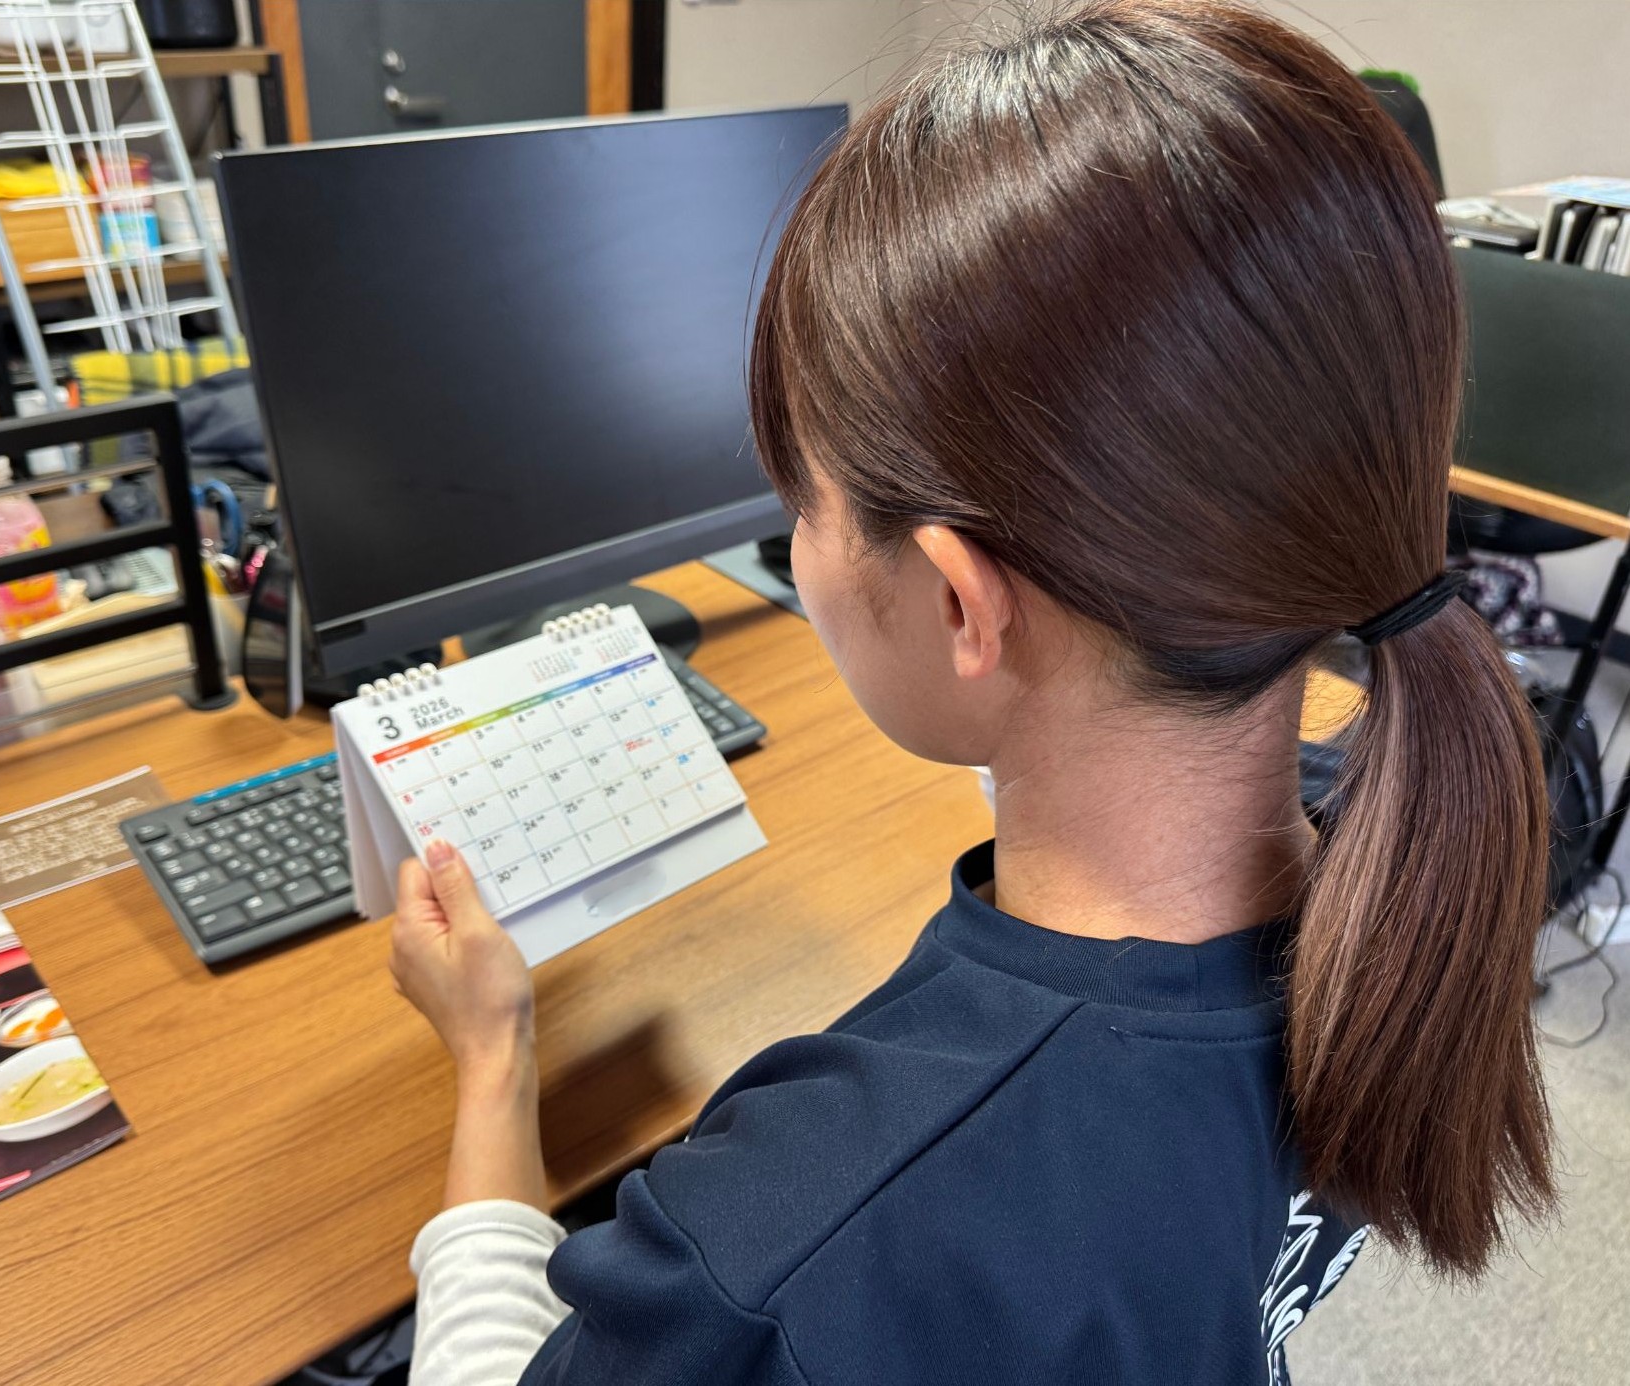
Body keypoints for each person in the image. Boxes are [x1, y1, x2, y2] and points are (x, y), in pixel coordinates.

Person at [386, 2, 1556, 1381]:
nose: (796, 546)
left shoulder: (783, 1256)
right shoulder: (1402, 871)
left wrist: (493, 1058)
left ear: (959, 602)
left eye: (799, 503)